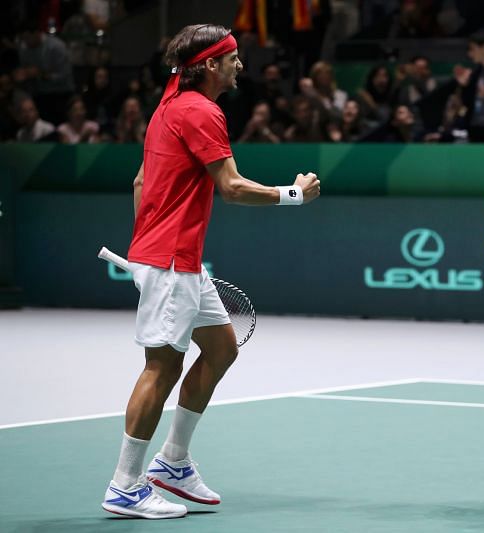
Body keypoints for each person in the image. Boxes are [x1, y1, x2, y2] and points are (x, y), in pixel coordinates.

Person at [101, 24, 320, 520]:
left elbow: (141, 180)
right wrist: (294, 195)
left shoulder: (168, 106)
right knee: (161, 367)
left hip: (176, 260)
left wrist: (143, 249)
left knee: (221, 347)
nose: (241, 64)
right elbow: (232, 187)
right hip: (171, 261)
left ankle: (173, 461)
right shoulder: (202, 110)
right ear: (211, 66)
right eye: (234, 57)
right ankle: (124, 485)